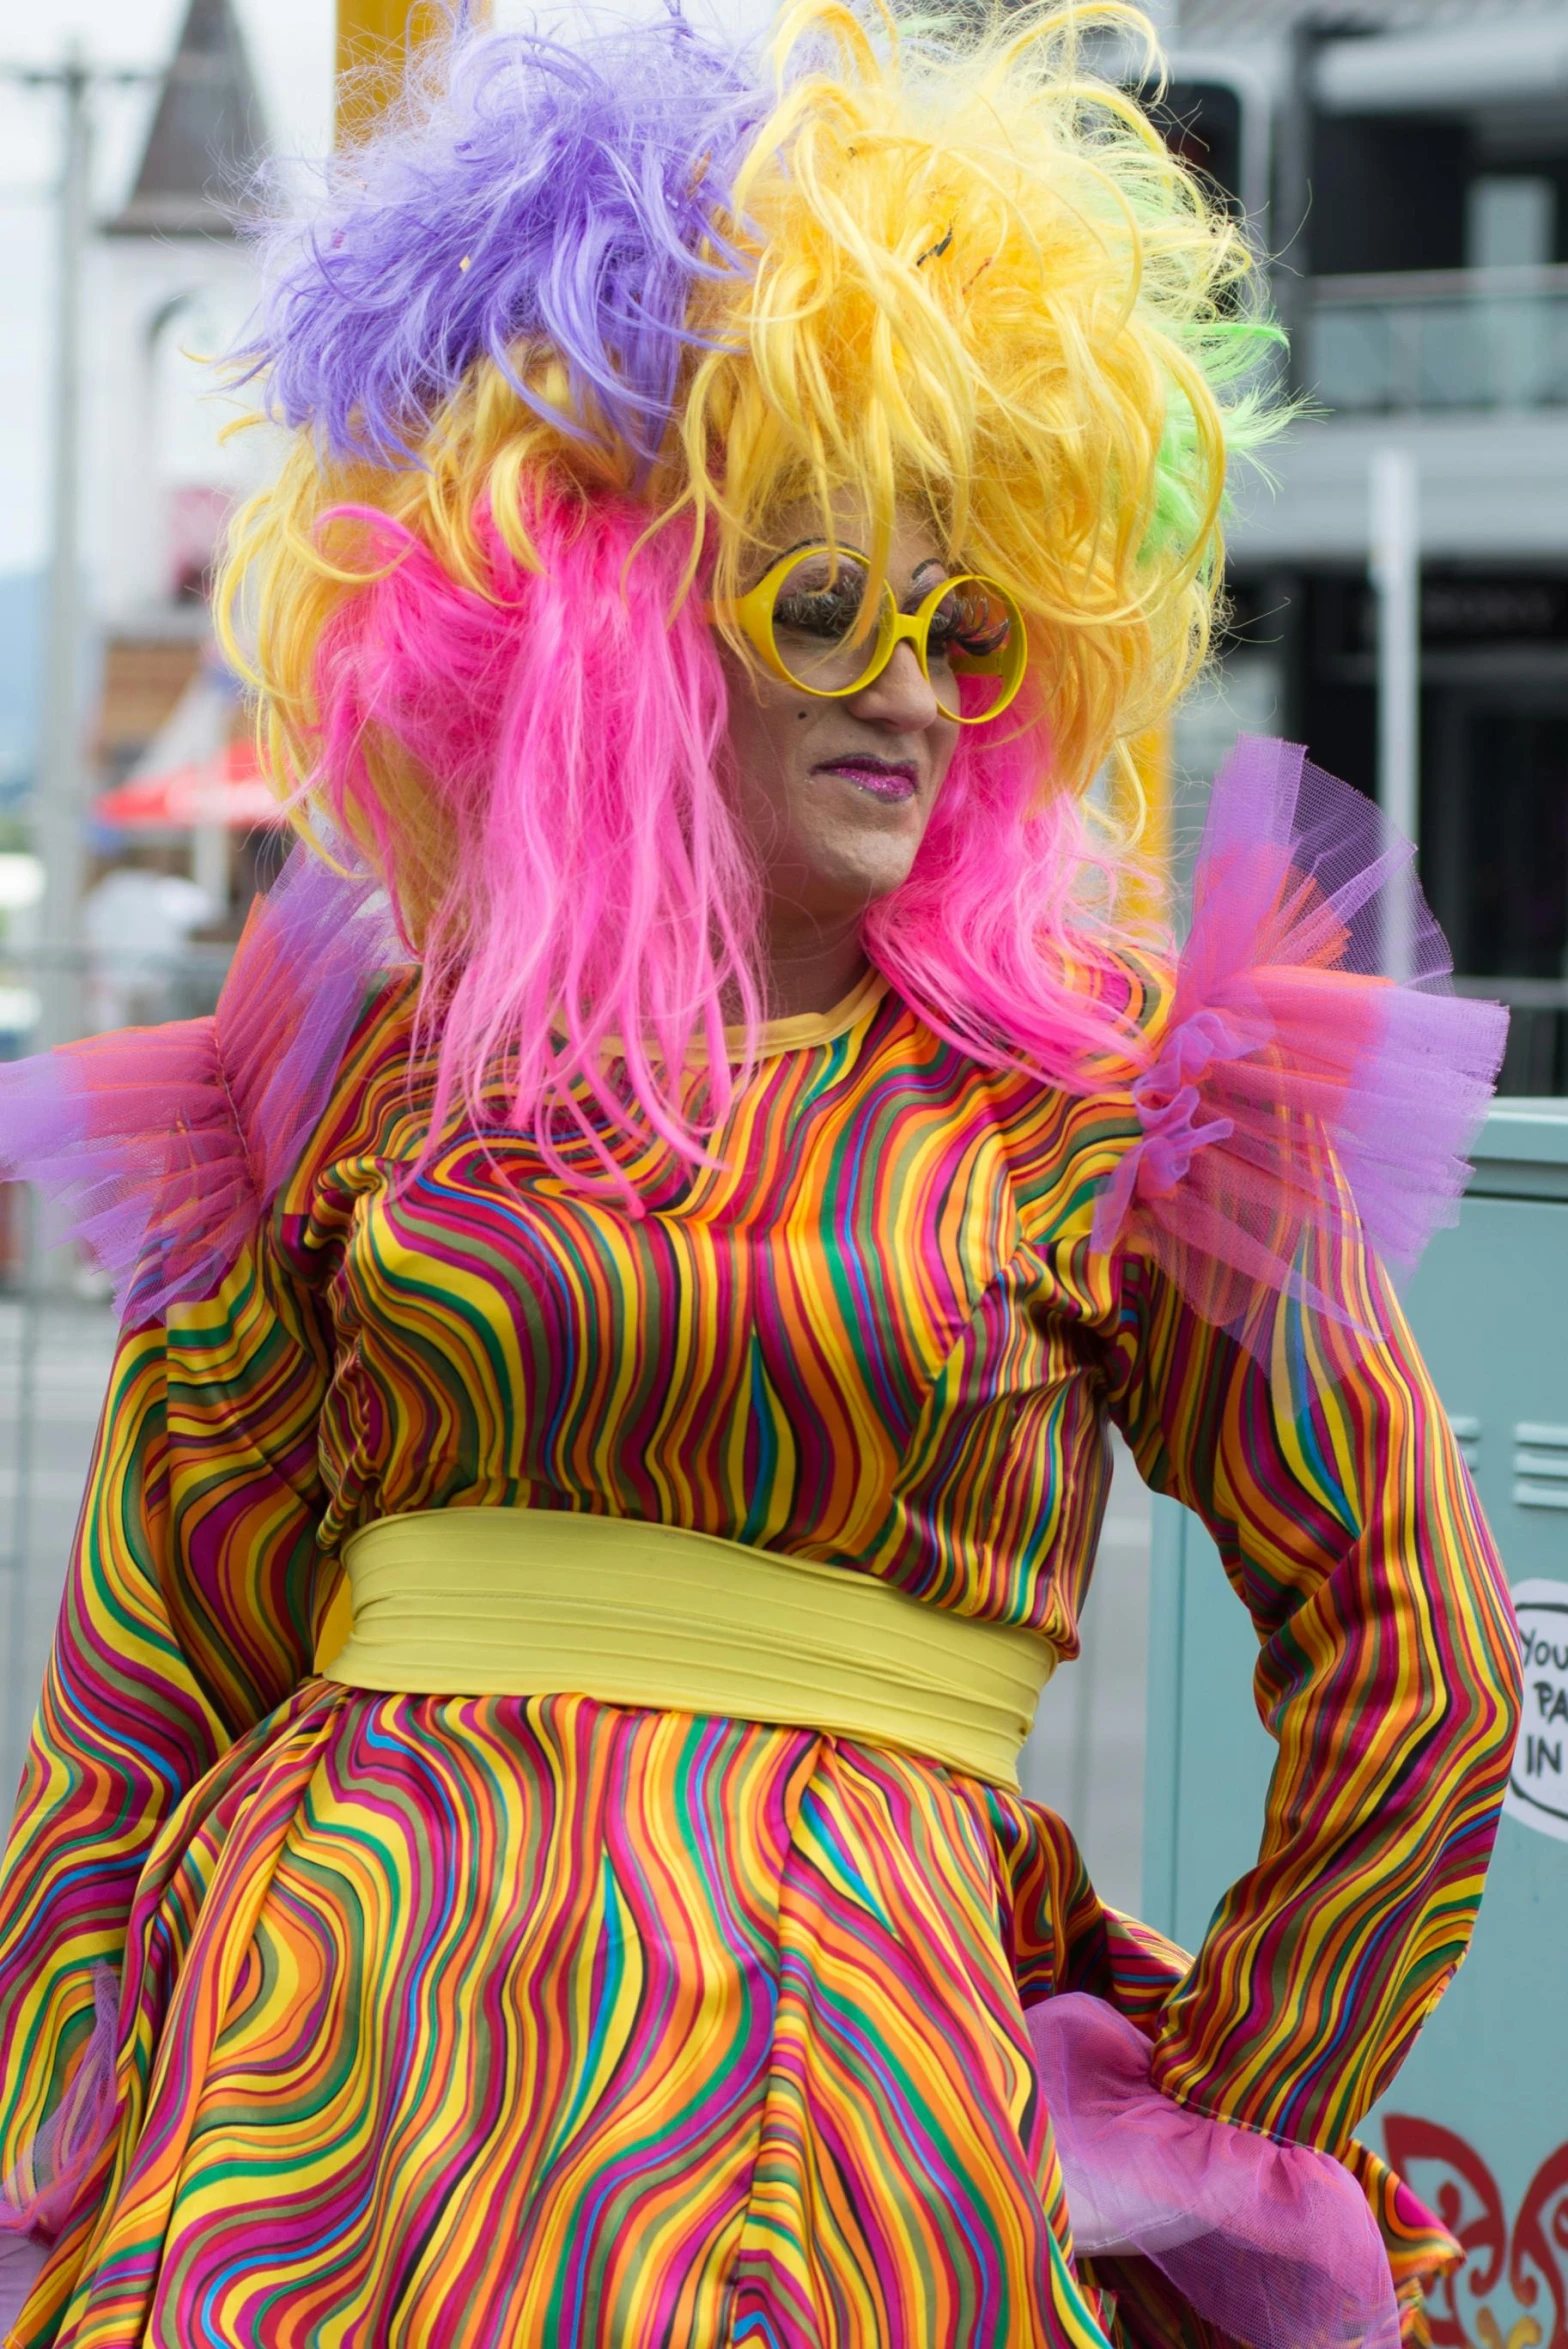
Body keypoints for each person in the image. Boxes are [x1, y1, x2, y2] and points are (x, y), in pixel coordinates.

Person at [0, 5, 1522, 2344]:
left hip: (844, 2122)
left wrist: (1207, 2109)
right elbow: (144, 1664)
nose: (911, 685)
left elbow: (1416, 1659)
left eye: (965, 620)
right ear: (601, 616)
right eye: (823, 601)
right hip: (312, 2105)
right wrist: (57, 2125)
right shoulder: (353, 1067)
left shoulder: (1124, 1090)